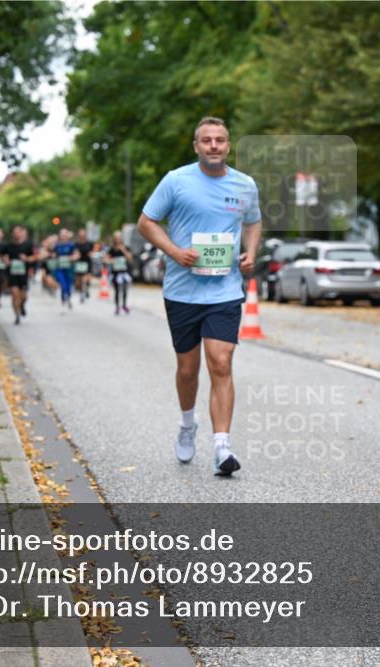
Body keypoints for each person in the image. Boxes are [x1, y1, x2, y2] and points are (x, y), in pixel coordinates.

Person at [137, 116, 262, 476]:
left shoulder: (245, 184)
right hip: (182, 291)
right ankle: (187, 424)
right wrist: (175, 252)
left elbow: (253, 222)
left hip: (224, 289)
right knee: (187, 369)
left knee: (220, 362)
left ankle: (222, 447)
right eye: (206, 140)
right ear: (196, 146)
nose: (213, 146)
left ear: (228, 145)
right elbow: (146, 222)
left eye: (220, 140)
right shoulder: (176, 181)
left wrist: (250, 251)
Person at [3, 225, 36, 325]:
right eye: (15, 232)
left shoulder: (28, 245)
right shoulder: (8, 245)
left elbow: (35, 257)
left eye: (18, 232)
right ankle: (17, 315)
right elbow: (4, 257)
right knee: (14, 294)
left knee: (23, 296)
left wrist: (26, 259)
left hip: (23, 274)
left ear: (22, 233)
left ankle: (21, 305)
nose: (16, 234)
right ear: (12, 234)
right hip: (12, 274)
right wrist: (6, 261)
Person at [107, 230, 133, 315]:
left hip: (124, 273)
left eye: (119, 237)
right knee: (117, 291)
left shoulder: (126, 247)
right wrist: (112, 261)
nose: (118, 239)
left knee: (125, 290)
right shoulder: (112, 249)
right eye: (116, 238)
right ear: (114, 239)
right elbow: (106, 259)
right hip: (115, 273)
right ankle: (117, 307)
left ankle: (124, 305)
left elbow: (130, 258)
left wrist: (124, 250)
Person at [53, 228, 79, 310]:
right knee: (63, 284)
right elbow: (53, 254)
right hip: (60, 269)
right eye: (62, 235)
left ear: (67, 236)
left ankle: (67, 297)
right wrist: (54, 257)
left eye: (65, 235)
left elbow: (77, 255)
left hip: (69, 269)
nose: (63, 236)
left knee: (69, 285)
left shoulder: (71, 245)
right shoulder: (57, 245)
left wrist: (71, 258)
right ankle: (63, 297)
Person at [74, 228, 95, 303]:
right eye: (80, 235)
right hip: (79, 263)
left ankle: (86, 289)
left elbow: (93, 252)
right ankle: (81, 293)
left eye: (83, 235)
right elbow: (74, 252)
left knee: (86, 279)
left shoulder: (89, 243)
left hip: (87, 263)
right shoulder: (76, 244)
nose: (82, 236)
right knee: (79, 281)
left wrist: (91, 254)